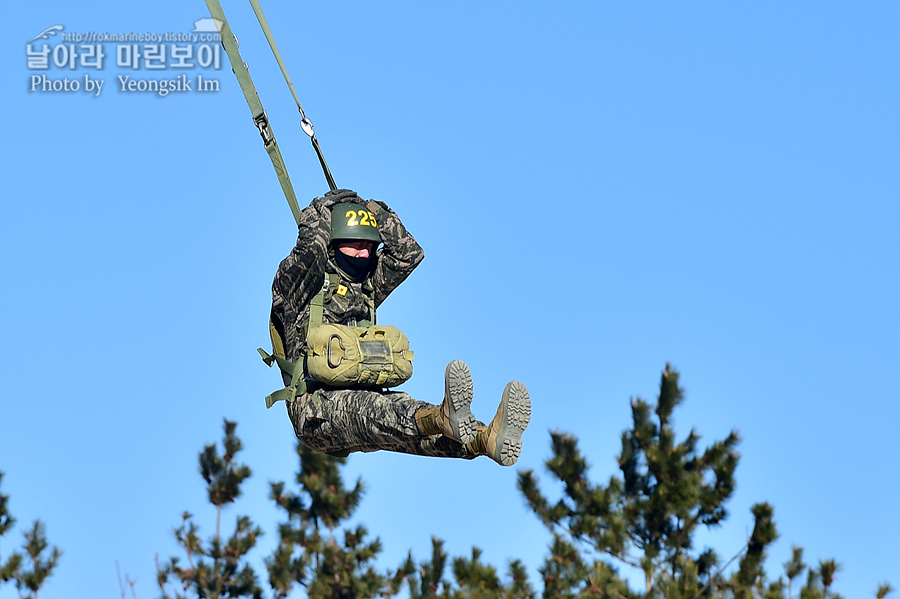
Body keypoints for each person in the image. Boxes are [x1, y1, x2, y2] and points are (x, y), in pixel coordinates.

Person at [269, 189, 531, 465]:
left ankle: (485, 439)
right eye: (355, 244)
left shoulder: (365, 285)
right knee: (390, 411)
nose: (363, 252)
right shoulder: (299, 289)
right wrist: (322, 209)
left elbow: (409, 253)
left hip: (362, 399)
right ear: (334, 242)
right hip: (315, 411)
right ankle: (443, 418)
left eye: (369, 245)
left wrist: (372, 210)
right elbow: (310, 249)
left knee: (414, 426)